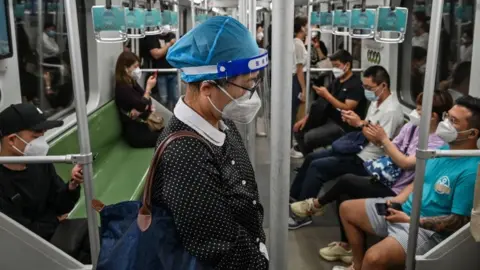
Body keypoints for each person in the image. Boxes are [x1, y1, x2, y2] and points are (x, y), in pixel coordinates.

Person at [150, 16, 269, 269]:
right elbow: (219, 248)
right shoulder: (184, 156)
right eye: (248, 84)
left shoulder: (221, 121)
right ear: (207, 87)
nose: (252, 94)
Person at [290, 91, 452, 263]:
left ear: (433, 116)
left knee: (346, 181)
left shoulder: (438, 142)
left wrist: (383, 140)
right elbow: (393, 150)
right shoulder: (411, 127)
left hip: (398, 186)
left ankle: (316, 205)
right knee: (343, 190)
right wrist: (380, 139)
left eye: (419, 110)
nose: (415, 113)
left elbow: (405, 163)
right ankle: (347, 246)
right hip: (385, 174)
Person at [338, 95, 480, 270]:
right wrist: (397, 201)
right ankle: (357, 266)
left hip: (427, 230)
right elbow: (418, 183)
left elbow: (458, 220)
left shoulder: (472, 170)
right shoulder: (441, 151)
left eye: (454, 121)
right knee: (347, 209)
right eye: (447, 117)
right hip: (405, 211)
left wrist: (411, 220)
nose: (446, 124)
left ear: (472, 133)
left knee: (374, 258)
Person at [289, 65, 404, 229]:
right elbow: (368, 126)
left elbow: (381, 141)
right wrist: (358, 122)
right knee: (312, 158)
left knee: (318, 167)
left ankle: (304, 215)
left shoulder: (391, 111)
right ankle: (295, 199)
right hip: (359, 149)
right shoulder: (376, 101)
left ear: (383, 86)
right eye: (364, 87)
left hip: (369, 160)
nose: (366, 90)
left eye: (369, 87)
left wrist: (358, 123)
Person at [0, 104, 90, 263]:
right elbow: (23, 234)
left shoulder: (40, 162)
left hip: (56, 233)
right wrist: (55, 219)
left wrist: (72, 186)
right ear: (12, 140)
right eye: (36, 136)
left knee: (107, 239)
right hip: (31, 251)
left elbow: (60, 205)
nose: (42, 141)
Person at [291, 50, 366, 158]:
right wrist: (306, 118)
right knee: (298, 130)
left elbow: (347, 107)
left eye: (337, 65)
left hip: (343, 126)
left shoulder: (355, 85)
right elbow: (321, 103)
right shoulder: (336, 81)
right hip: (329, 119)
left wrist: (327, 95)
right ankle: (309, 162)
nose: (334, 69)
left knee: (309, 137)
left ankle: (313, 162)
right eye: (333, 66)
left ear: (347, 65)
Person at [114, 51, 161, 148]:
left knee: (169, 133)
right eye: (135, 67)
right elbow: (142, 105)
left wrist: (141, 108)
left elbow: (147, 102)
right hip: (135, 134)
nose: (138, 70)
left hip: (144, 127)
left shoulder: (132, 83)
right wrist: (148, 89)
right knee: (167, 139)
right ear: (125, 68)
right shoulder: (122, 88)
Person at [144, 28, 178, 110]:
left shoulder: (172, 35)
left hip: (173, 72)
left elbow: (177, 51)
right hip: (160, 73)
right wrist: (169, 44)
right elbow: (156, 54)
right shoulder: (152, 36)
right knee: (163, 99)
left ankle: (174, 118)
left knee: (175, 99)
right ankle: (164, 119)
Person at [291, 16, 309, 142]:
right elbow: (299, 69)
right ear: (302, 27)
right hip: (297, 81)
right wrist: (303, 89)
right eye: (308, 25)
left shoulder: (298, 43)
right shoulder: (298, 44)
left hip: (296, 79)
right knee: (293, 112)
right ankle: (290, 144)